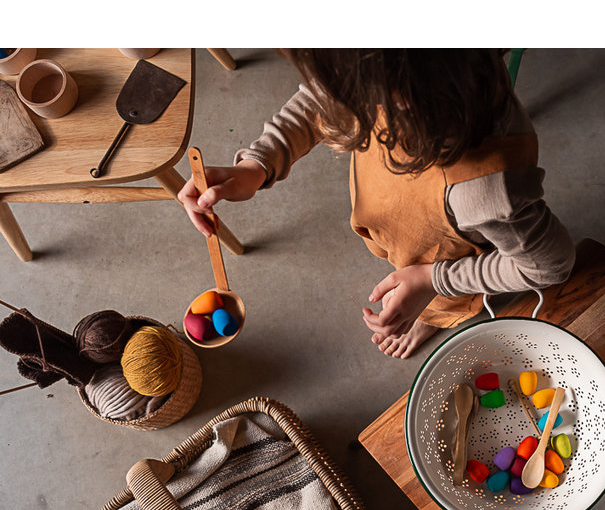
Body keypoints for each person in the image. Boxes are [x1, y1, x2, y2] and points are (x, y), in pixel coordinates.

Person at [177, 49, 576, 359]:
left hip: (446, 257)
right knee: (410, 266)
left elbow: (548, 264)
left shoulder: (486, 192)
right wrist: (258, 164)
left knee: (435, 299)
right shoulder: (390, 74)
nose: (327, 90)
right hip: (408, 221)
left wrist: (430, 281)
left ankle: (434, 316)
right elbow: (319, 97)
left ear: (396, 99)